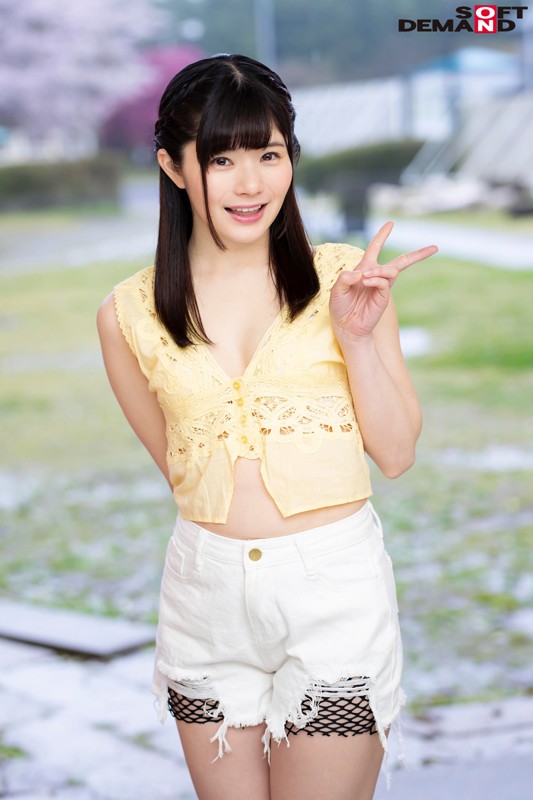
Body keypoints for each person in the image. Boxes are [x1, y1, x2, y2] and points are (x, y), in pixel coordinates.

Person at [96, 53, 438, 800]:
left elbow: (396, 453)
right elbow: (181, 471)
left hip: (332, 593)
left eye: (269, 154)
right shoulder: (126, 316)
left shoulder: (344, 280)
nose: (250, 184)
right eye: (221, 159)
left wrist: (355, 339)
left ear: (290, 158)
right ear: (172, 166)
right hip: (204, 598)